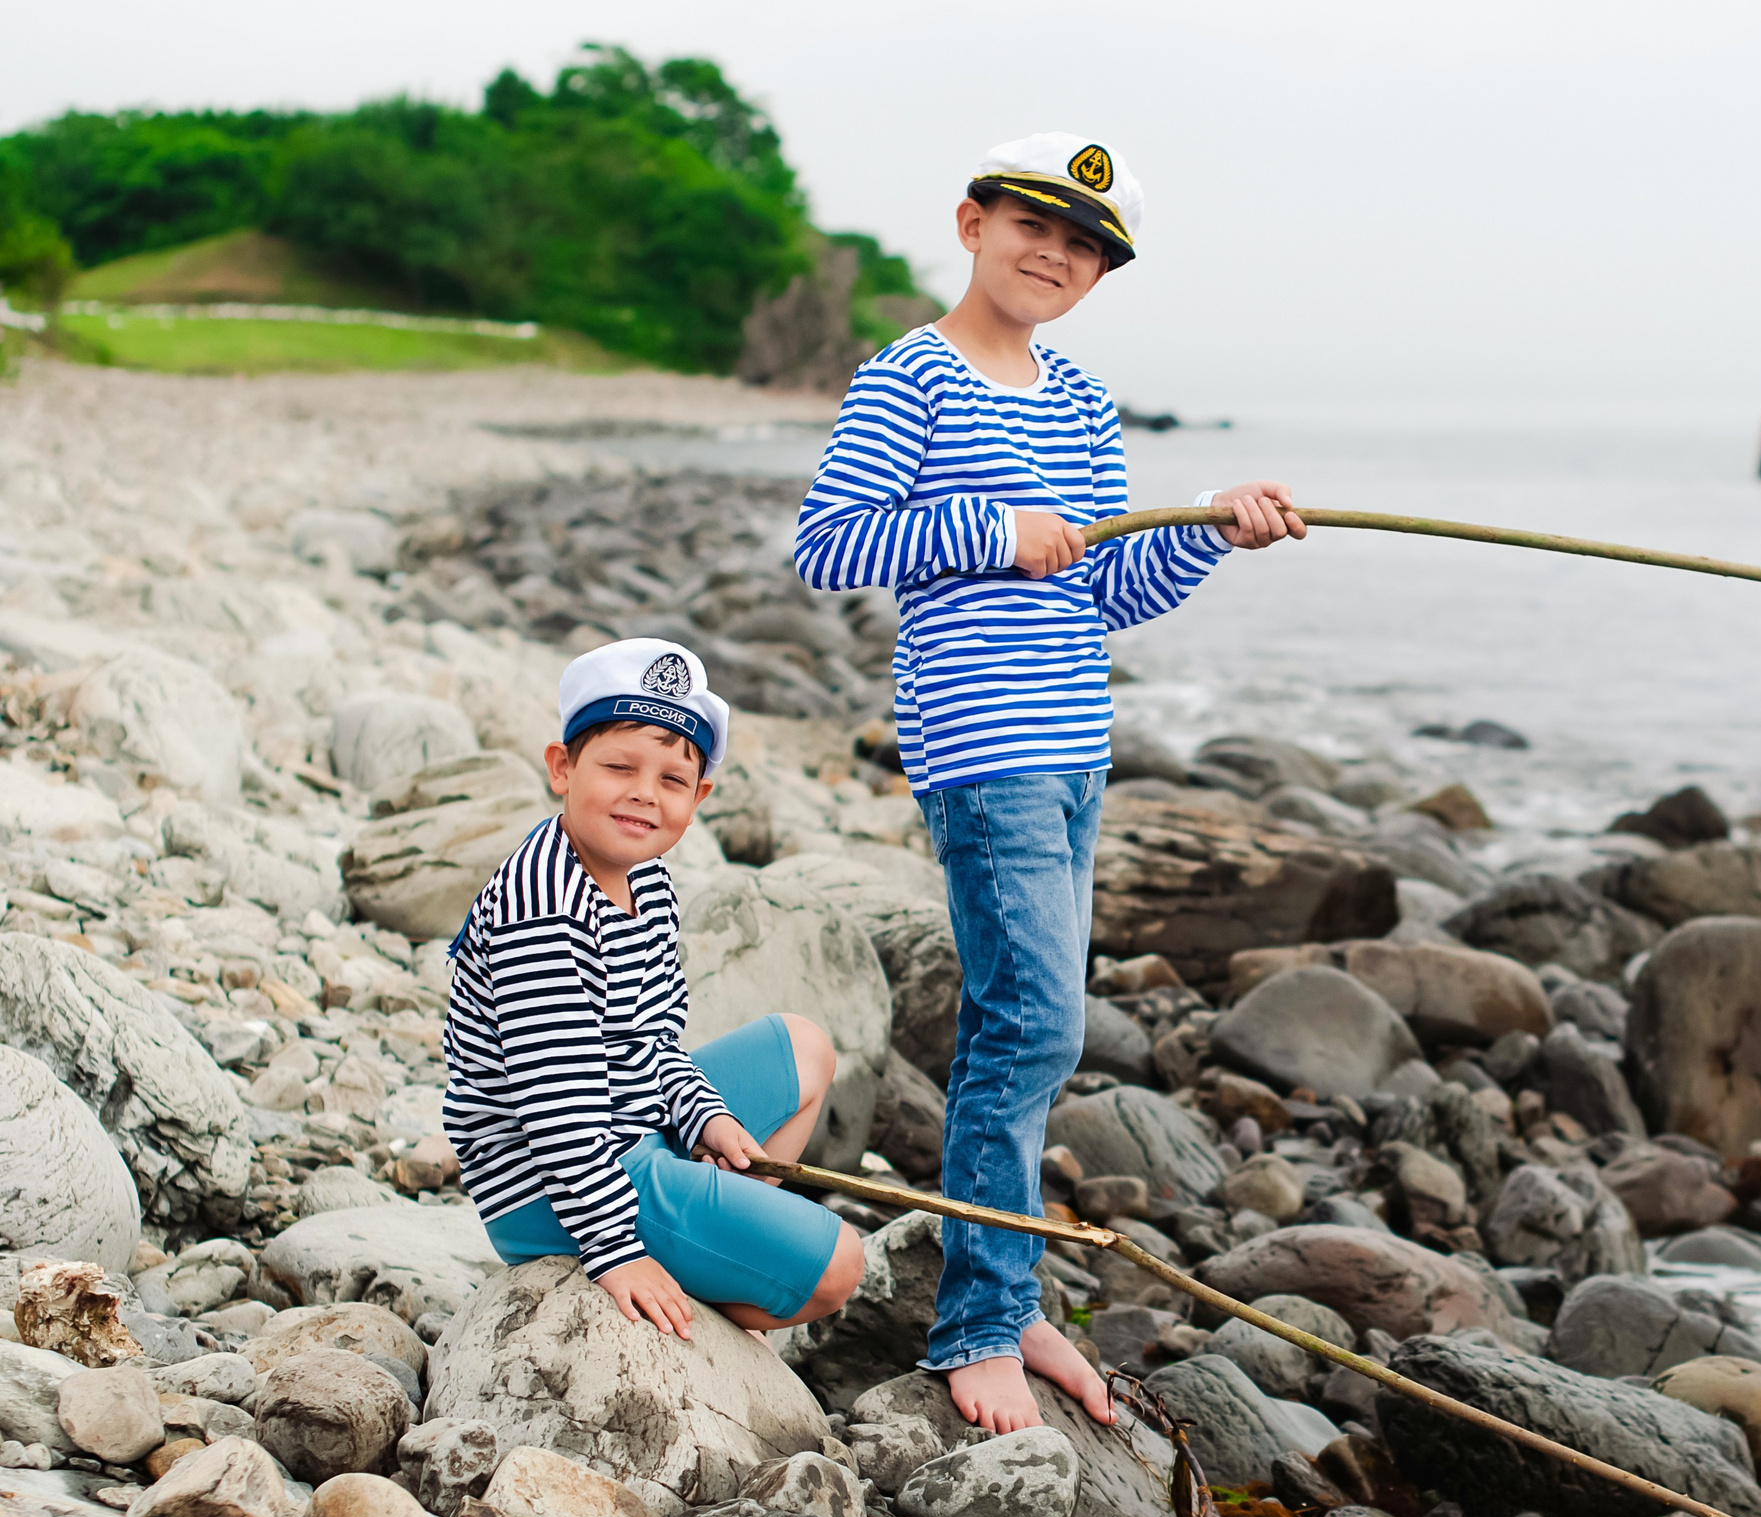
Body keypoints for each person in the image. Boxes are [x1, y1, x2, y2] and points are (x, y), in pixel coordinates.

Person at [792, 132, 1303, 1431]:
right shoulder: (909, 375)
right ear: (970, 223)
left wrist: (1204, 533)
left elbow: (1097, 588)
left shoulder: (1078, 396)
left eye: (1083, 247)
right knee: (1033, 1029)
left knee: (1025, 1028)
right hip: (980, 743)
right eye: (1035, 225)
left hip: (1076, 740)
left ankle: (1007, 1297)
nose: (1056, 254)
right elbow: (828, 544)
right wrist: (987, 528)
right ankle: (976, 1324)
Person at [441, 638, 867, 1340]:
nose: (644, 792)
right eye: (618, 767)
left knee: (806, 1048)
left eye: (672, 780)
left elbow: (651, 1043)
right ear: (562, 768)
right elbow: (559, 1104)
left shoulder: (645, 878)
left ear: (698, 797)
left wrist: (704, 1118)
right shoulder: (543, 908)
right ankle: (700, 1285)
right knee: (839, 1268)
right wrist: (616, 1252)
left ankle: (713, 1238)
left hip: (627, 1122)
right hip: (550, 1179)